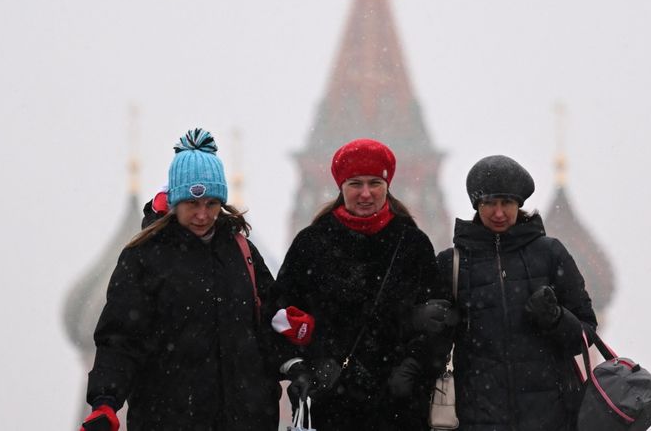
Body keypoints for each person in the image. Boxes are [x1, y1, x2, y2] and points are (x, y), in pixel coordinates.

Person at [79, 128, 281, 431]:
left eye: (212, 204)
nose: (203, 214)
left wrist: (296, 359)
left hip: (246, 420)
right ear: (174, 201)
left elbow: (272, 320)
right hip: (169, 419)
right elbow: (120, 339)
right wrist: (105, 402)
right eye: (192, 204)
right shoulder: (144, 258)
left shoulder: (241, 251)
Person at [269, 138, 450, 431]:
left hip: (398, 407)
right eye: (355, 183)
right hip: (331, 402)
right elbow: (278, 315)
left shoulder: (411, 244)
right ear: (341, 187)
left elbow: (441, 323)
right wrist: (304, 367)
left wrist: (412, 366)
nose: (365, 194)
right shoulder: (312, 243)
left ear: (387, 185)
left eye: (374, 183)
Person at [436, 155, 598, 431]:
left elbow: (585, 336)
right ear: (477, 205)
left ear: (519, 205)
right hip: (478, 417)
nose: (499, 213)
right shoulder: (452, 264)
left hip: (551, 418)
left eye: (507, 203)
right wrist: (433, 324)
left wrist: (556, 319)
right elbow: (431, 347)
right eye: (490, 203)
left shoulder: (550, 255)